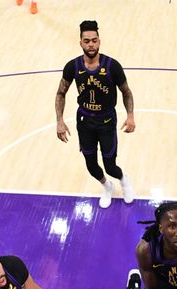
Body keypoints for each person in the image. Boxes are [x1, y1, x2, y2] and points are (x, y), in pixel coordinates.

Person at [55, 20, 136, 209]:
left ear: (99, 41)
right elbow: (61, 93)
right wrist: (59, 120)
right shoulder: (72, 66)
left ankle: (124, 180)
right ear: (80, 43)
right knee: (91, 166)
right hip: (84, 121)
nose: (91, 44)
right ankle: (107, 186)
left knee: (110, 165)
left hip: (107, 121)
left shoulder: (112, 66)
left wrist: (130, 115)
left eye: (94, 40)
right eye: (86, 41)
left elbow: (126, 92)